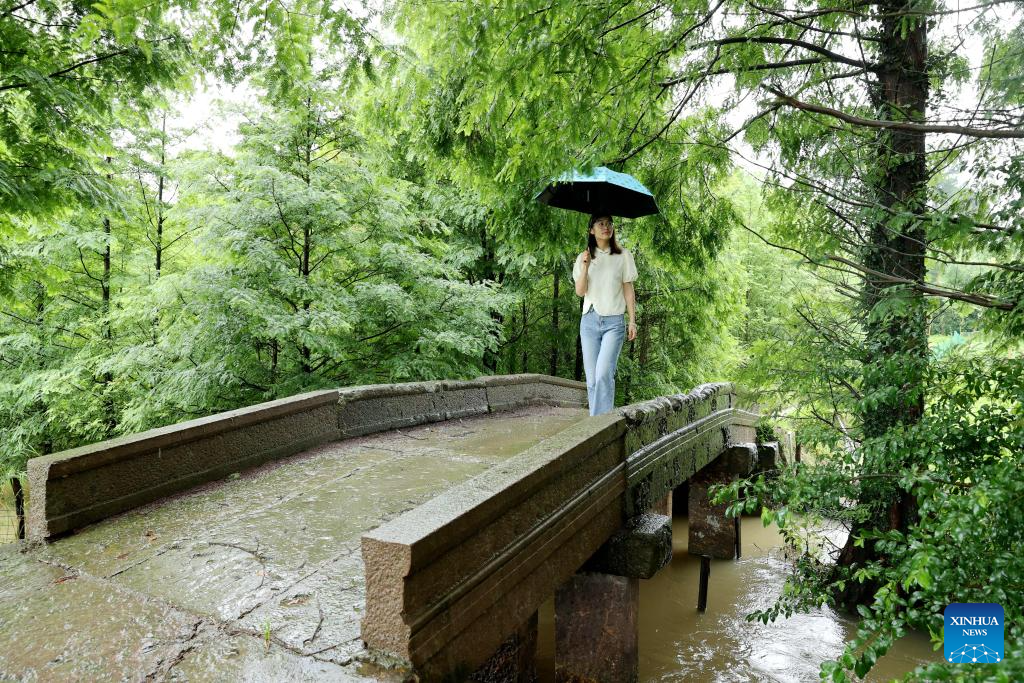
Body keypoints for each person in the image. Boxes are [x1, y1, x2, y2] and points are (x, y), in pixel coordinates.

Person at [572, 214, 638, 416]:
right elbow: (580, 291)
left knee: (603, 375)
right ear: (591, 230)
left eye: (609, 223)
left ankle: (598, 428)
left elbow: (628, 290)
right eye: (601, 223)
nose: (606, 227)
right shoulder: (583, 257)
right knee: (591, 380)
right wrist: (585, 267)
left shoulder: (623, 255)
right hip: (589, 321)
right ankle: (599, 422)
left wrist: (632, 321)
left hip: (614, 323)